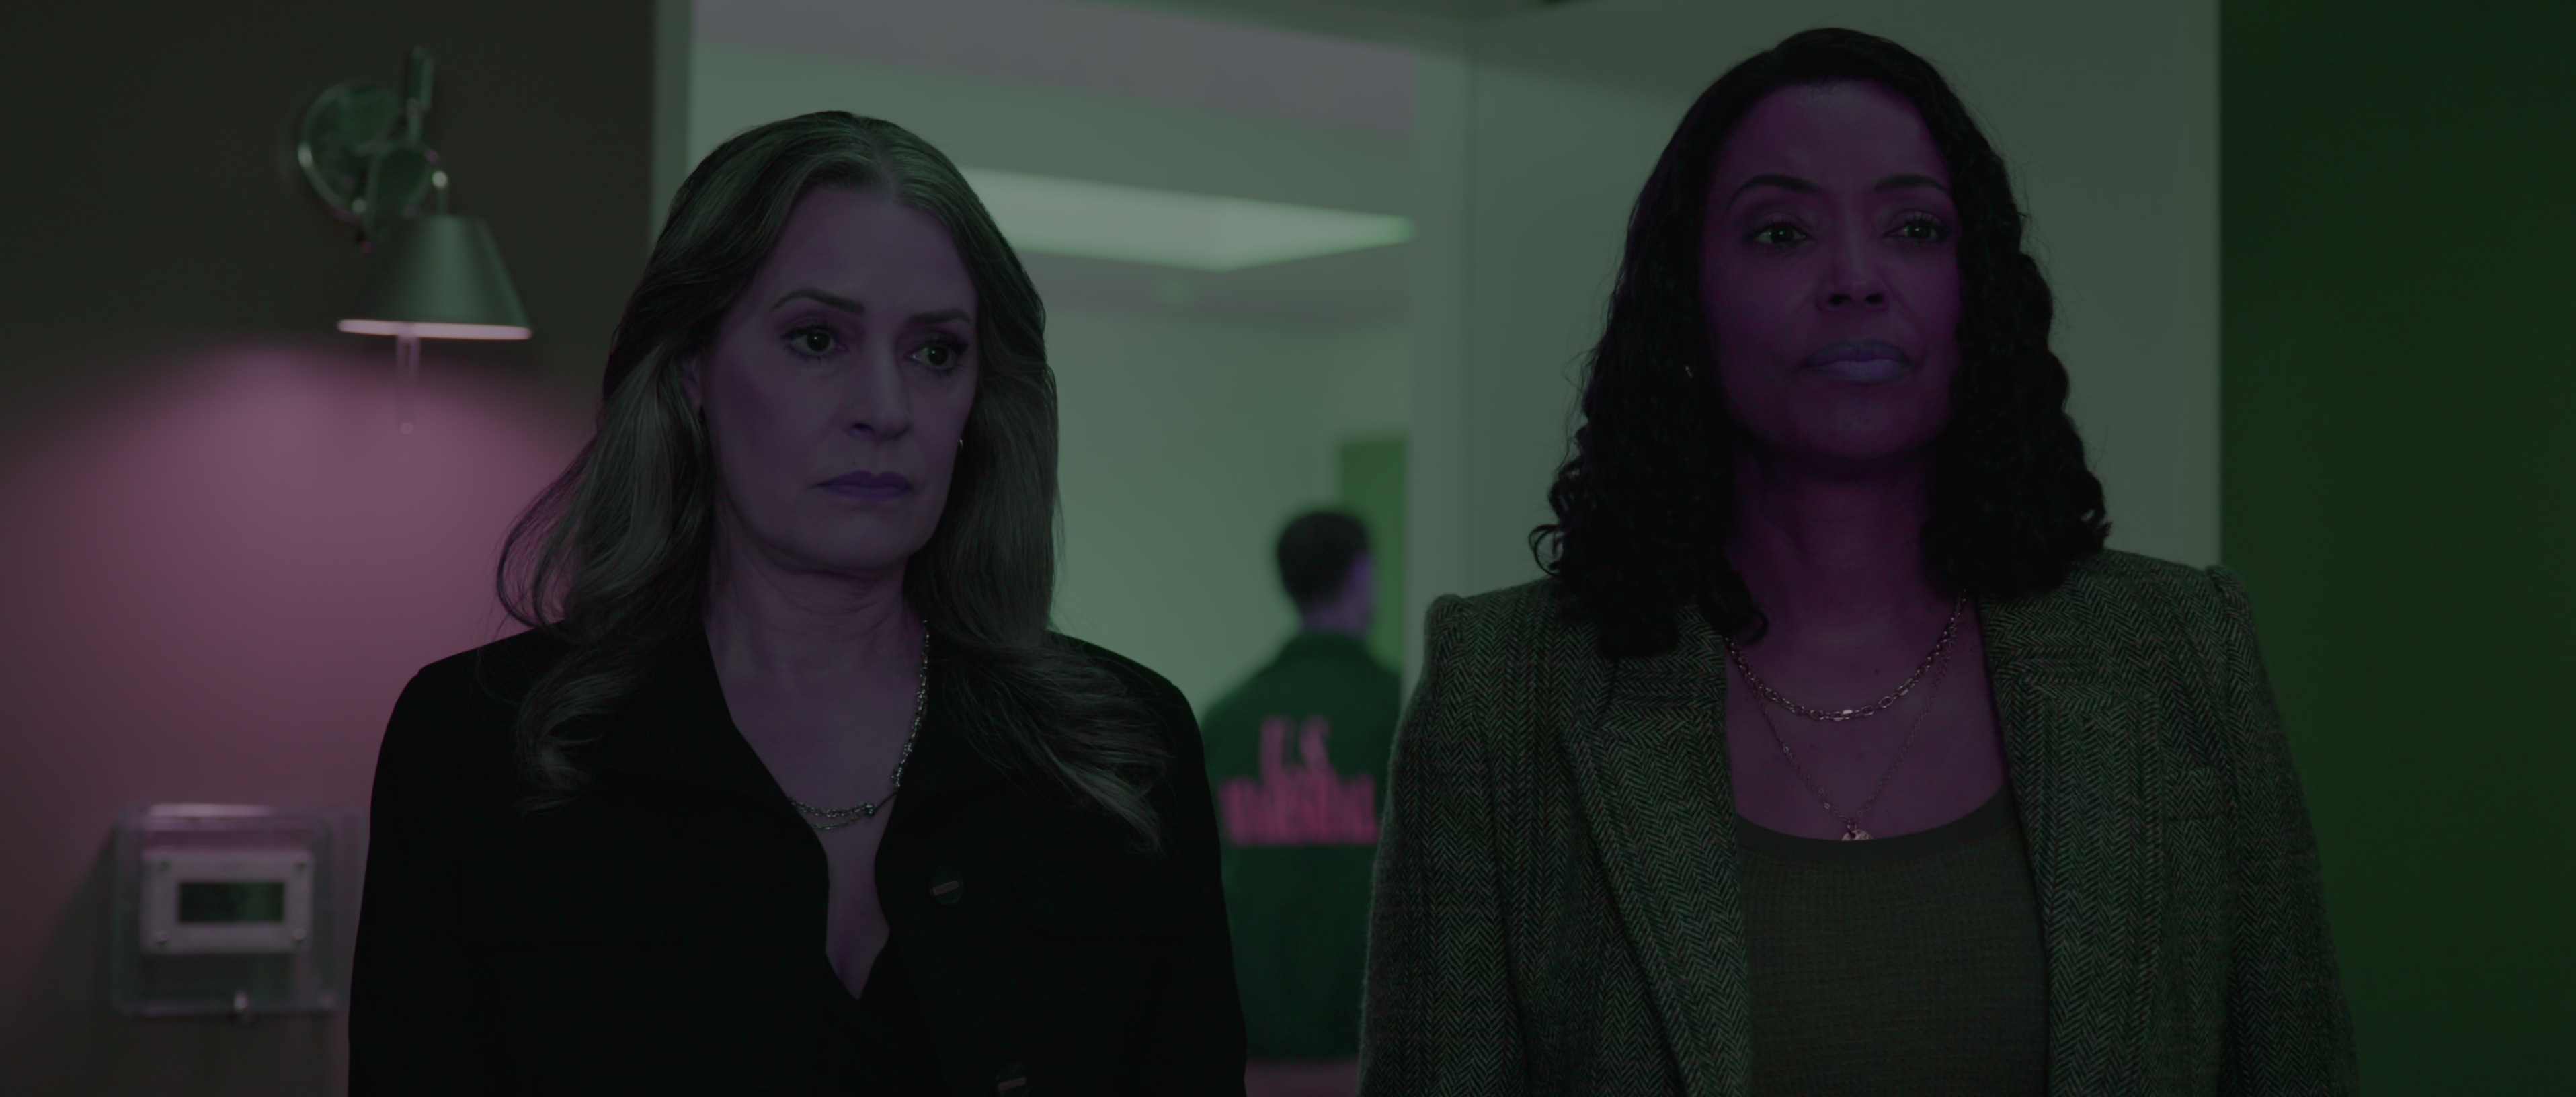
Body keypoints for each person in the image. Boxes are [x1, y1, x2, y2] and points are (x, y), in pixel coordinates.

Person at [1361, 27, 2356, 1096]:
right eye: (1781, 232)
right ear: (1687, 299)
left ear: (1977, 291)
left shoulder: (2182, 654)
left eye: (1915, 229)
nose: (1854, 279)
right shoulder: (1500, 696)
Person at [350, 112, 1246, 1094]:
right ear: (691, 367)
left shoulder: (1125, 745)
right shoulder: (478, 740)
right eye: (817, 339)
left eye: (936, 352)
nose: (886, 409)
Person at [1203, 510, 1402, 1097]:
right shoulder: (1399, 708)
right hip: (1369, 1040)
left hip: (1249, 1043)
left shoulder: (1225, 719)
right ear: (1362, 574)